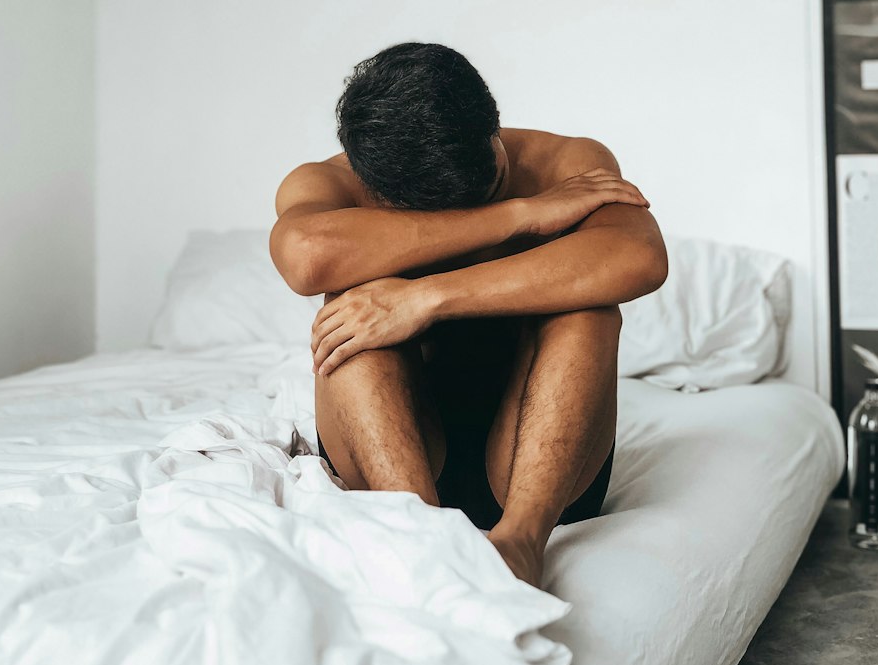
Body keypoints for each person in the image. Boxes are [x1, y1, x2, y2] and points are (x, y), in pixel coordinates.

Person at [269, 41, 668, 588]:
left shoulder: (567, 163)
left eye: (491, 191)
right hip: (391, 456)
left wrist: (424, 297)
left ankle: (522, 543)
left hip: (535, 460)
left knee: (589, 306)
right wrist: (517, 216)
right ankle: (422, 537)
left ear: (494, 130)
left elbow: (639, 257)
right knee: (350, 305)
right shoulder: (330, 183)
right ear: (373, 182)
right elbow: (306, 257)